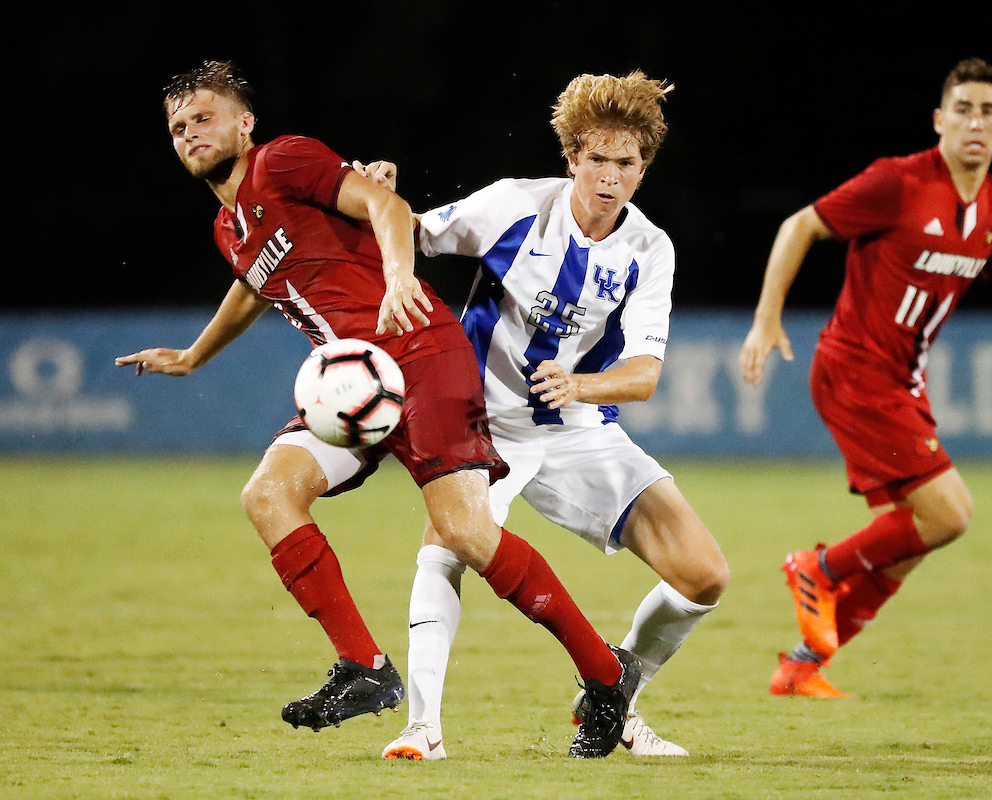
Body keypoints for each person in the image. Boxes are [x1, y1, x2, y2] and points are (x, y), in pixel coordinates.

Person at [115, 60, 639, 758]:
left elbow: (387, 207)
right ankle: (364, 668)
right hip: (354, 387)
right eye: (178, 128)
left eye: (204, 118)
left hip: (419, 351)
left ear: (244, 122)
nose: (190, 134)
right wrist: (192, 356)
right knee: (269, 493)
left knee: (466, 535)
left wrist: (398, 277)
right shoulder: (228, 226)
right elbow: (251, 286)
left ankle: (605, 676)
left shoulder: (285, 159)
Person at [373, 72, 728, 761]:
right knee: (446, 546)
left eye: (626, 163)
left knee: (704, 573)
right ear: (571, 158)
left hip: (575, 425)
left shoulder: (650, 251)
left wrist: (583, 384)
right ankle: (422, 728)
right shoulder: (514, 207)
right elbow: (415, 233)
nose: (609, 176)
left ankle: (613, 693)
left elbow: (645, 376)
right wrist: (374, 195)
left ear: (643, 169)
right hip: (480, 423)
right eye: (596, 158)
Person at [739, 58, 992, 698]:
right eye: (962, 109)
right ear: (939, 120)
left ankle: (802, 665)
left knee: (913, 541)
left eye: (986, 112)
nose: (974, 123)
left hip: (903, 381)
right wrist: (766, 319)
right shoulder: (898, 182)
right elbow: (801, 224)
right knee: (950, 514)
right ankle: (817, 567)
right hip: (853, 369)